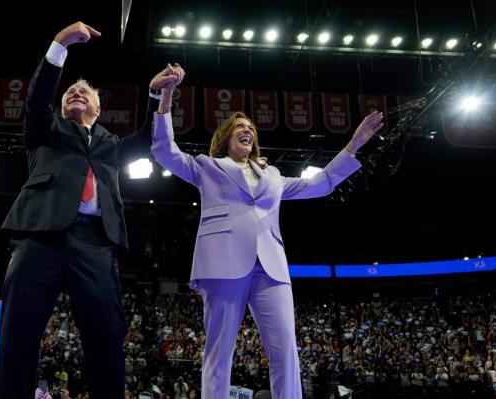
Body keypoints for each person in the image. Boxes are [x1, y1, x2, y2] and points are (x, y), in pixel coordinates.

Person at [151, 72, 383, 399]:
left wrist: (353, 144)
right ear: (225, 136)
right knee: (219, 352)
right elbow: (164, 151)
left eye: (251, 128)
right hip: (222, 265)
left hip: (271, 268)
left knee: (285, 349)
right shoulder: (207, 167)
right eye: (240, 126)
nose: (247, 129)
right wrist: (165, 97)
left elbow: (323, 183)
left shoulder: (273, 176)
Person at [0, 21, 182, 399]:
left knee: (107, 338)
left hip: (96, 242)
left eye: (85, 91)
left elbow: (148, 139)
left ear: (98, 108)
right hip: (40, 236)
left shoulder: (110, 144)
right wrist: (59, 43)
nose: (76, 91)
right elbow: (37, 98)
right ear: (63, 106)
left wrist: (156, 94)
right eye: (71, 91)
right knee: (17, 333)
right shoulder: (45, 129)